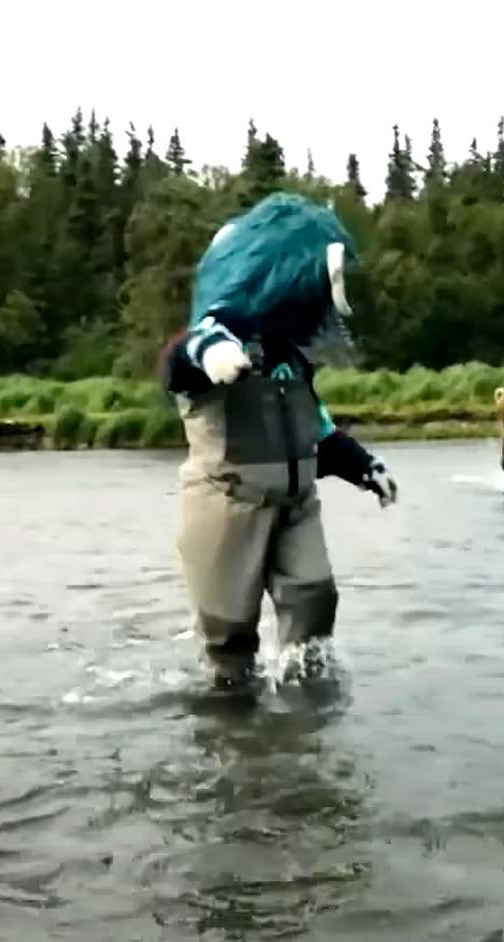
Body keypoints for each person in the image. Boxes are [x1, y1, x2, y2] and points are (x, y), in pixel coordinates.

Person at [158, 192, 399, 690]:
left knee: (314, 595)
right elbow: (179, 361)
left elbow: (318, 429)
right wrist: (214, 356)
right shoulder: (210, 341)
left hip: (296, 505)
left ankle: (305, 710)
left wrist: (364, 467)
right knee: (228, 626)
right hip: (227, 502)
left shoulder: (292, 357)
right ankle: (230, 710)